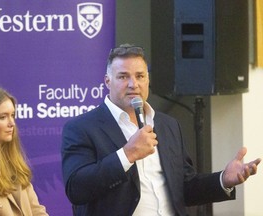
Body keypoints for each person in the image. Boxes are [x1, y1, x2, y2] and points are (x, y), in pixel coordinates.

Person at [61, 44, 261, 216]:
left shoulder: (167, 125)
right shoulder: (81, 128)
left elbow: (184, 187)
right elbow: (76, 189)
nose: (133, 84)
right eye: (123, 76)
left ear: (148, 80)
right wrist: (127, 155)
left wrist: (222, 180)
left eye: (140, 76)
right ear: (107, 81)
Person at [0, 84, 49, 216]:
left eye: (13, 115)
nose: (12, 123)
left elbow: (37, 210)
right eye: (3, 117)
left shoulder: (13, 159)